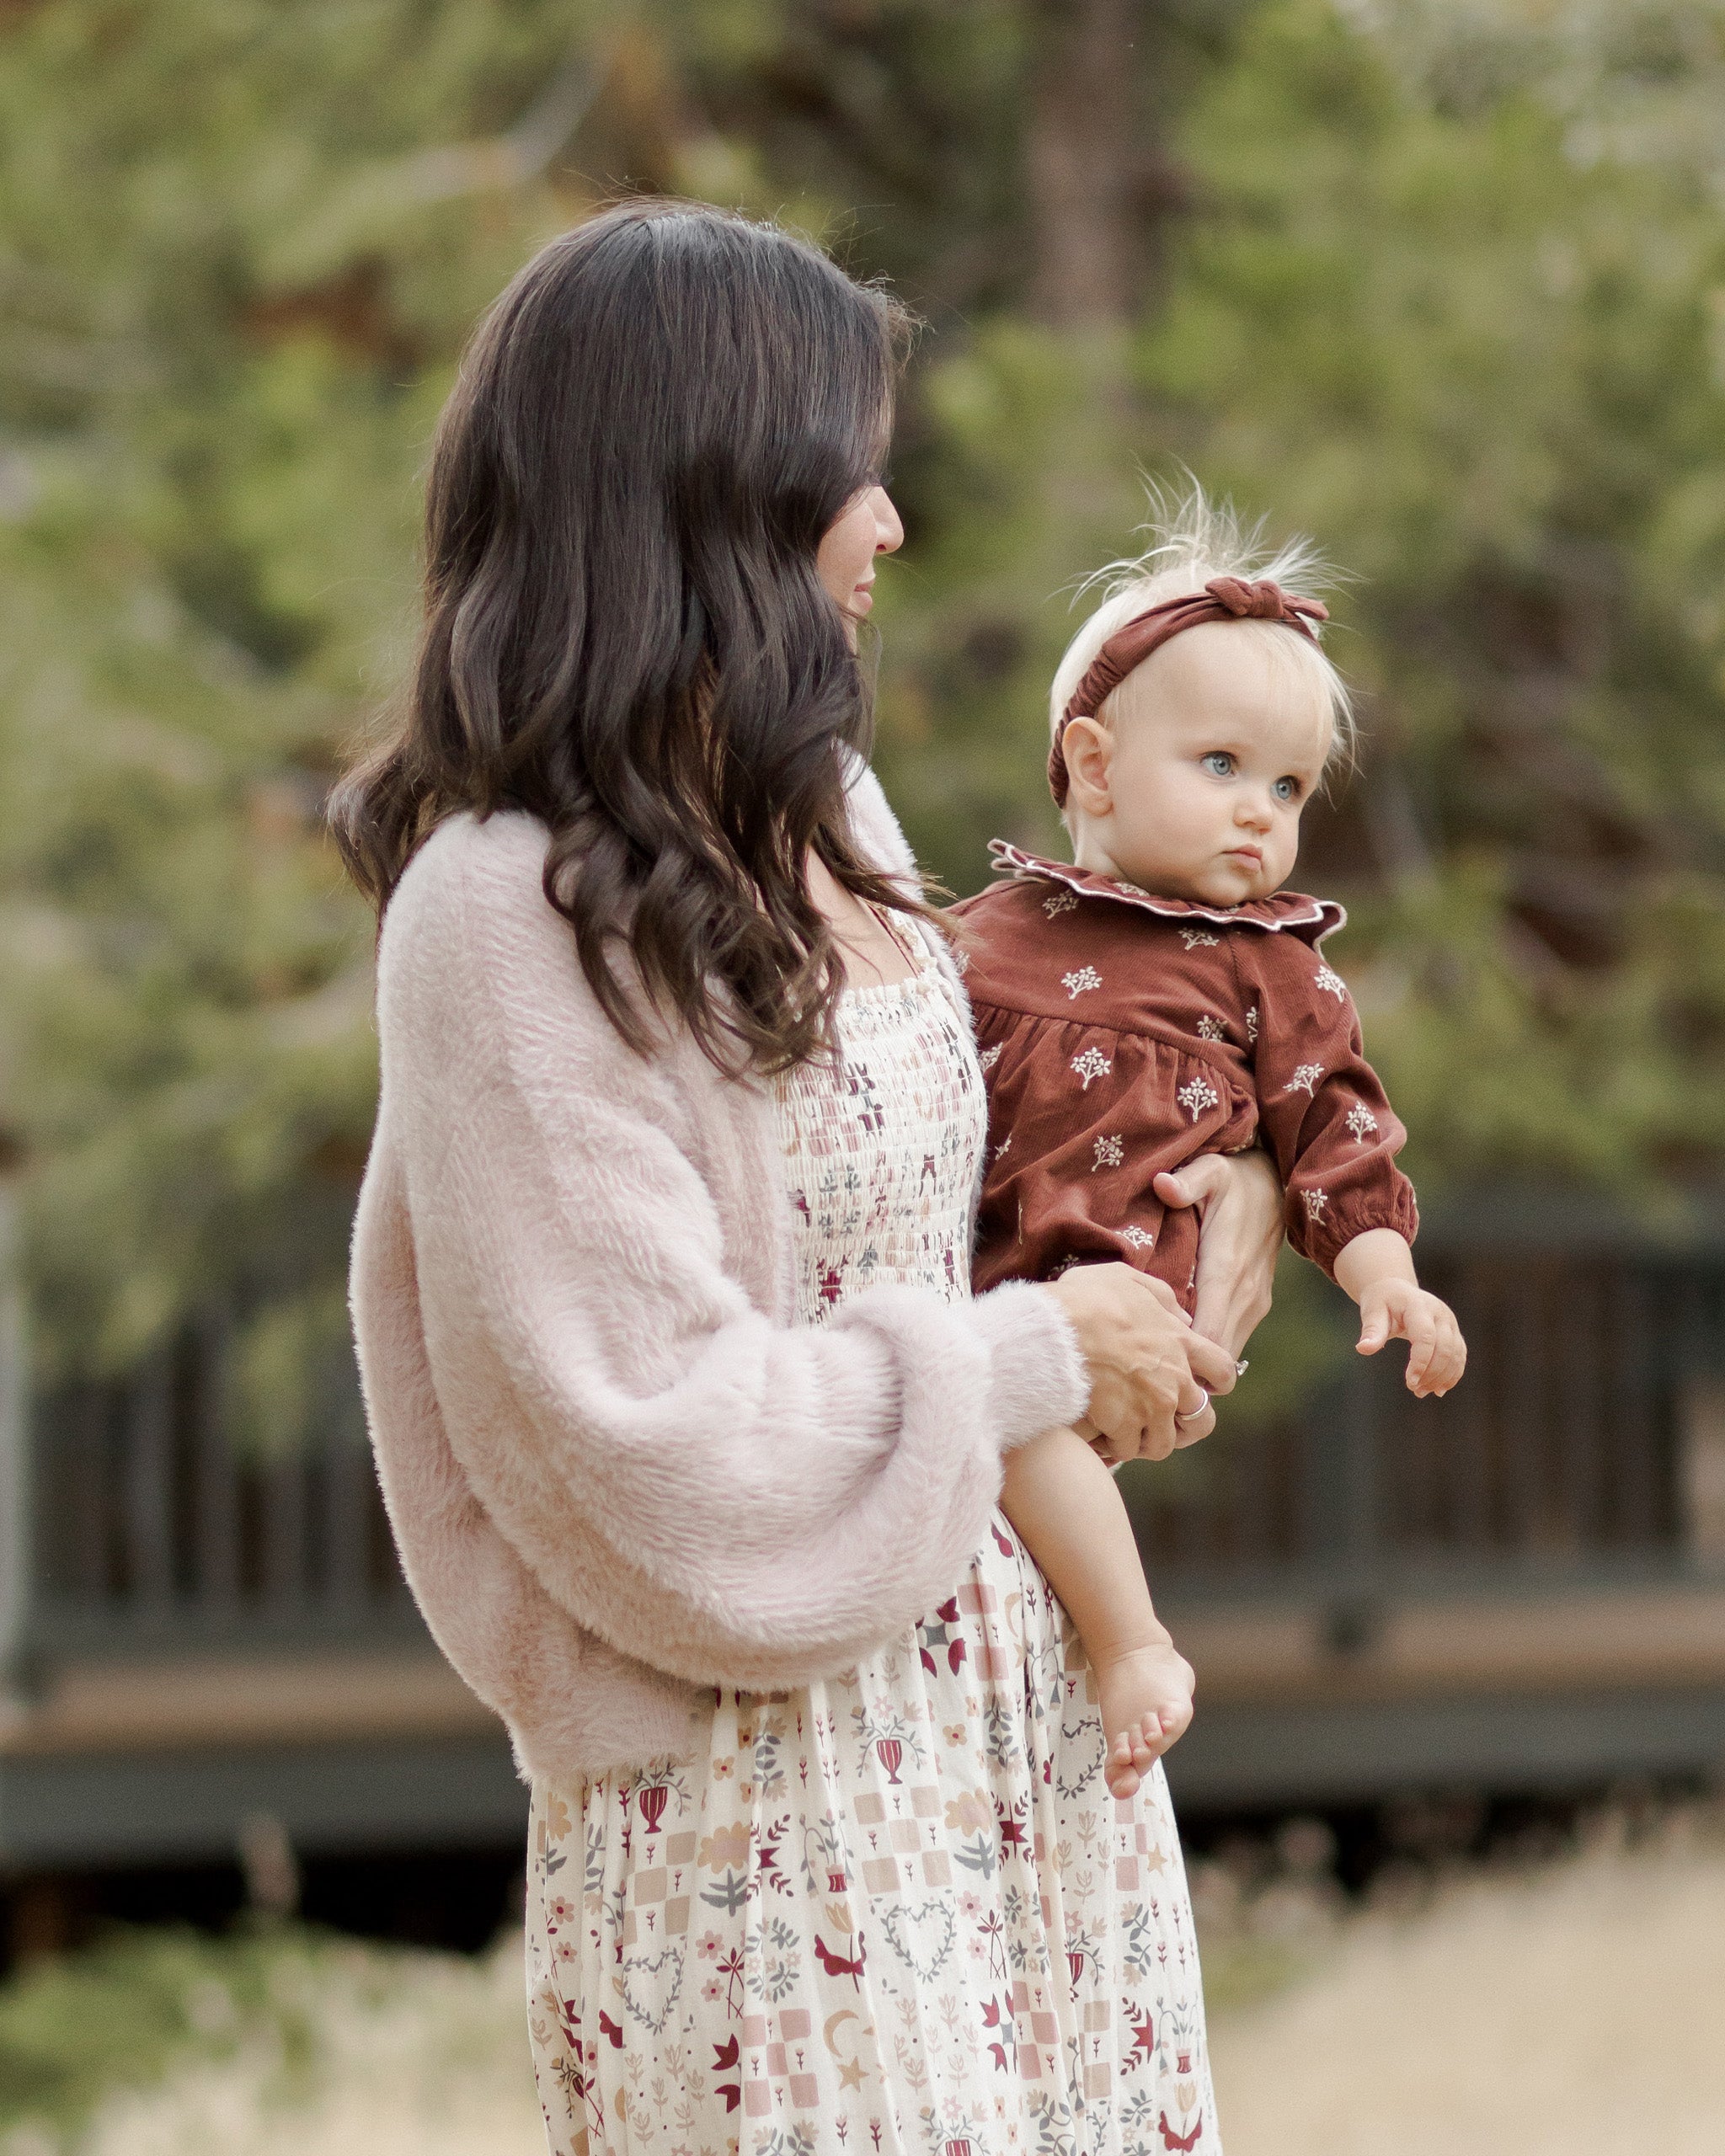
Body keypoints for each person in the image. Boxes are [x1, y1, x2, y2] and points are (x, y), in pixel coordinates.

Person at [334, 205, 1281, 2155]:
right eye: (852, 464)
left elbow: (932, 1237)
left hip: (1009, 1735)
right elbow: (650, 1438)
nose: (888, 522)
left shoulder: (824, 817)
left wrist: (1184, 1243)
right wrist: (1030, 1359)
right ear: (717, 486)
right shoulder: (499, 918)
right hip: (767, 1812)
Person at [953, 491, 1467, 1801]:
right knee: (1003, 1436)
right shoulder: (971, 936)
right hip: (994, 1298)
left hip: (1124, 1309)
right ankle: (1094, 1647)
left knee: (1029, 1437)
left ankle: (1133, 1648)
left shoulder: (1266, 968)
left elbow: (1336, 1134)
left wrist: (1388, 1279)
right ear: (1094, 761)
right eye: (1223, 768)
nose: (1262, 816)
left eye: (1289, 787)